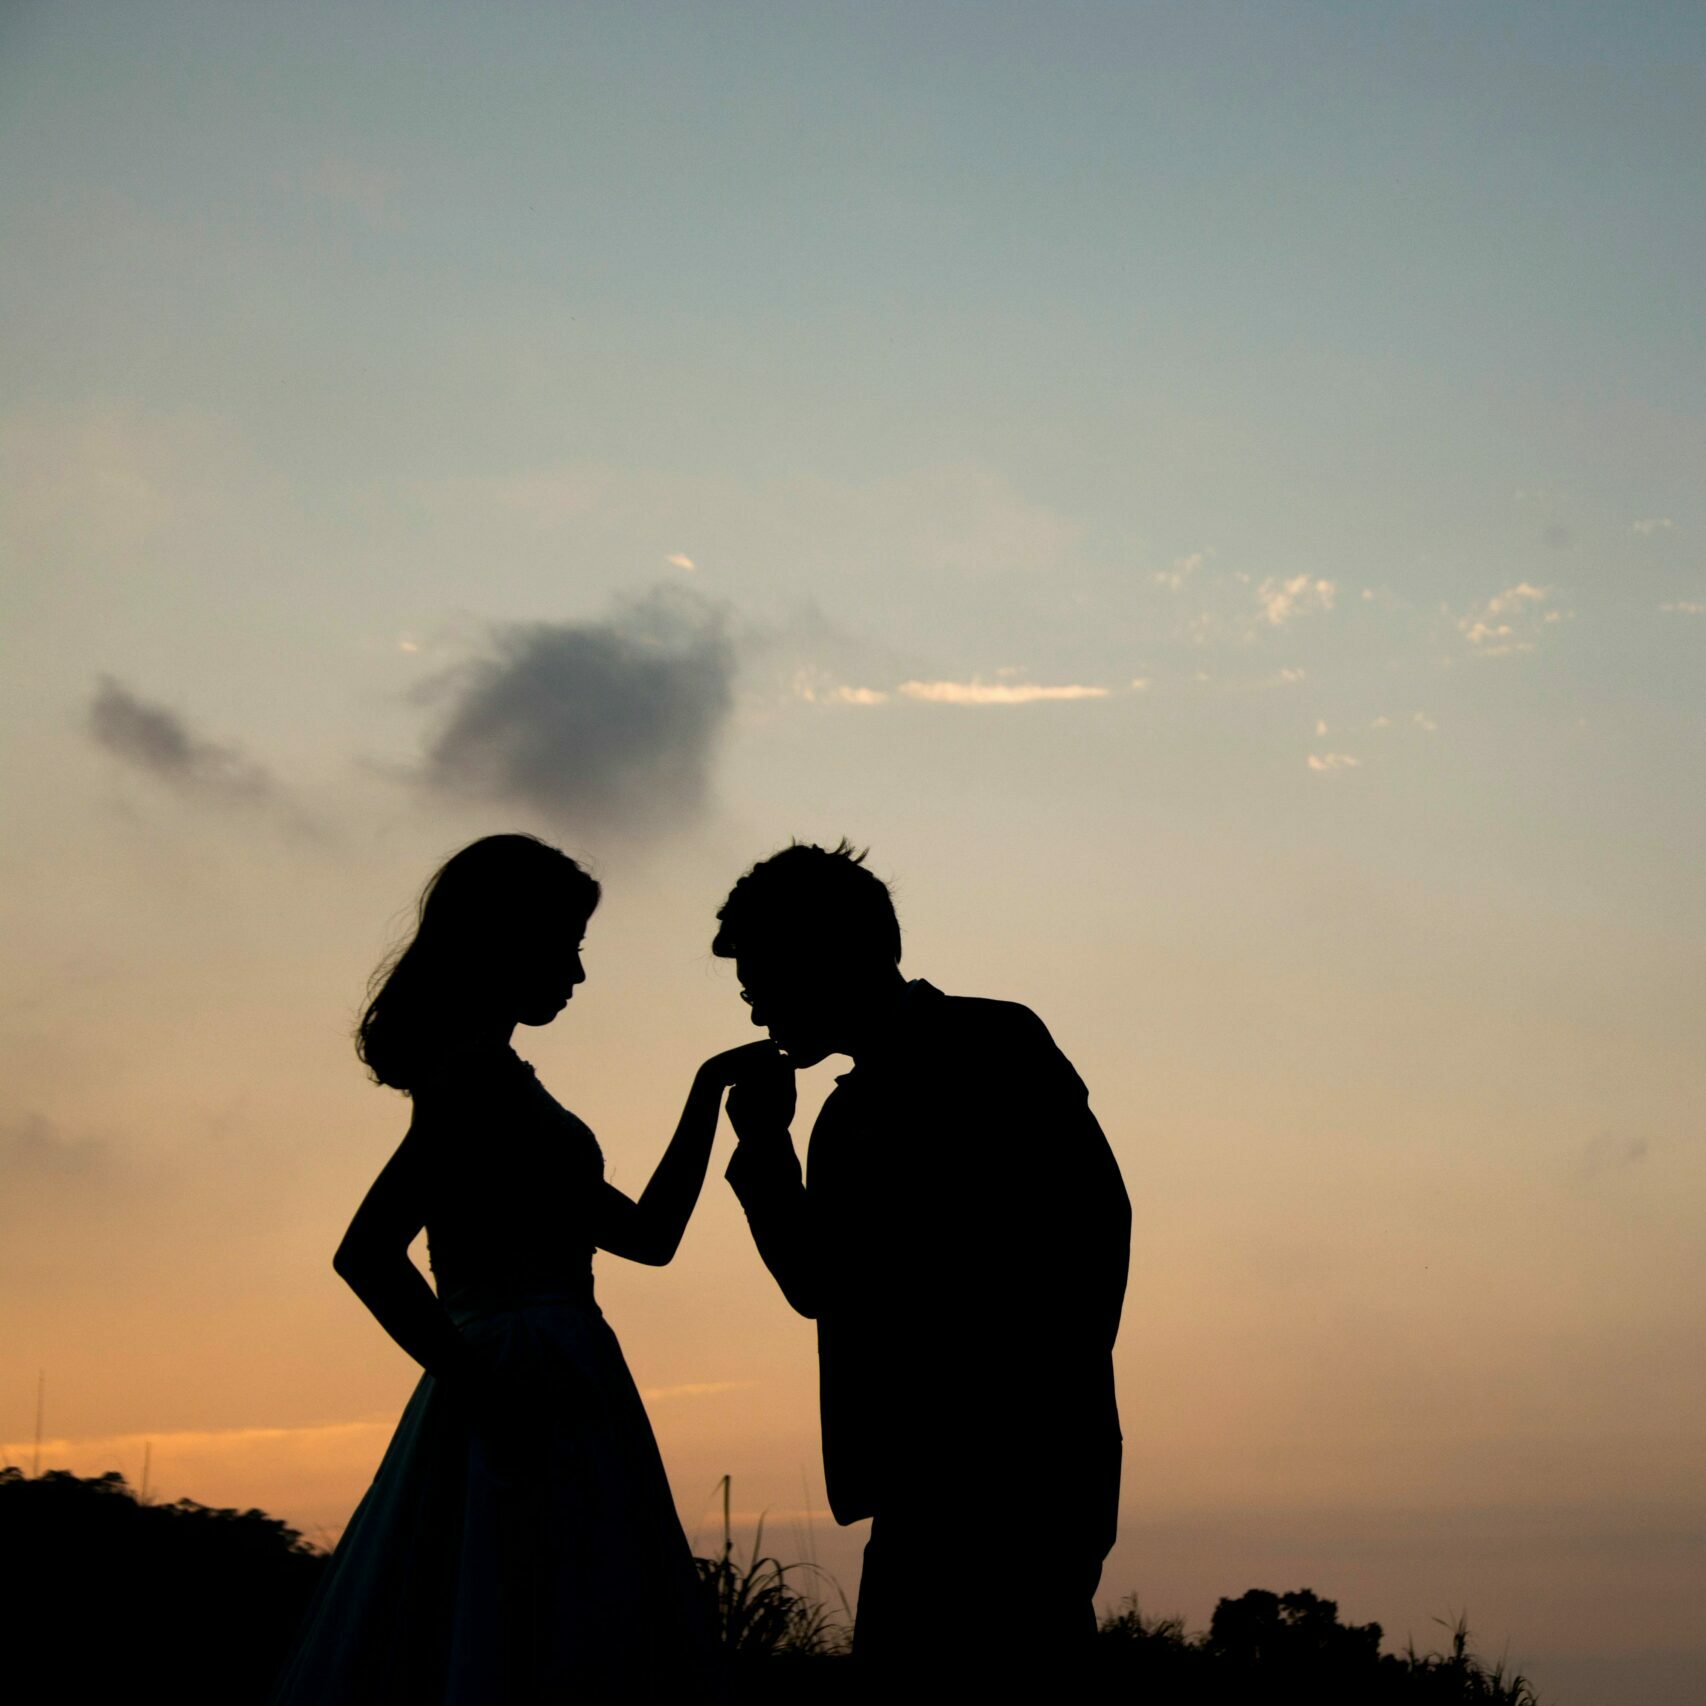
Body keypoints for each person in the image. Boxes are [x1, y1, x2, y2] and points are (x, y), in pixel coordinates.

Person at [272, 833, 772, 1705]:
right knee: (536, 1620)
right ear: (507, 942)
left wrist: (706, 1096)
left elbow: (648, 1237)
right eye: (567, 946)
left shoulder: (499, 1083)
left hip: (555, 1365)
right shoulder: (474, 1079)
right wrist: (484, 1390)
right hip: (525, 1368)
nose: (577, 974)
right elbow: (367, 1254)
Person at [717, 840, 1131, 1688]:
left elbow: (1093, 1234)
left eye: (765, 986)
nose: (759, 1018)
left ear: (826, 957)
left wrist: (1039, 1402)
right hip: (920, 1482)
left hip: (1021, 1473)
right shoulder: (840, 1118)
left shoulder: (996, 1044)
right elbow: (817, 1287)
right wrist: (764, 1150)